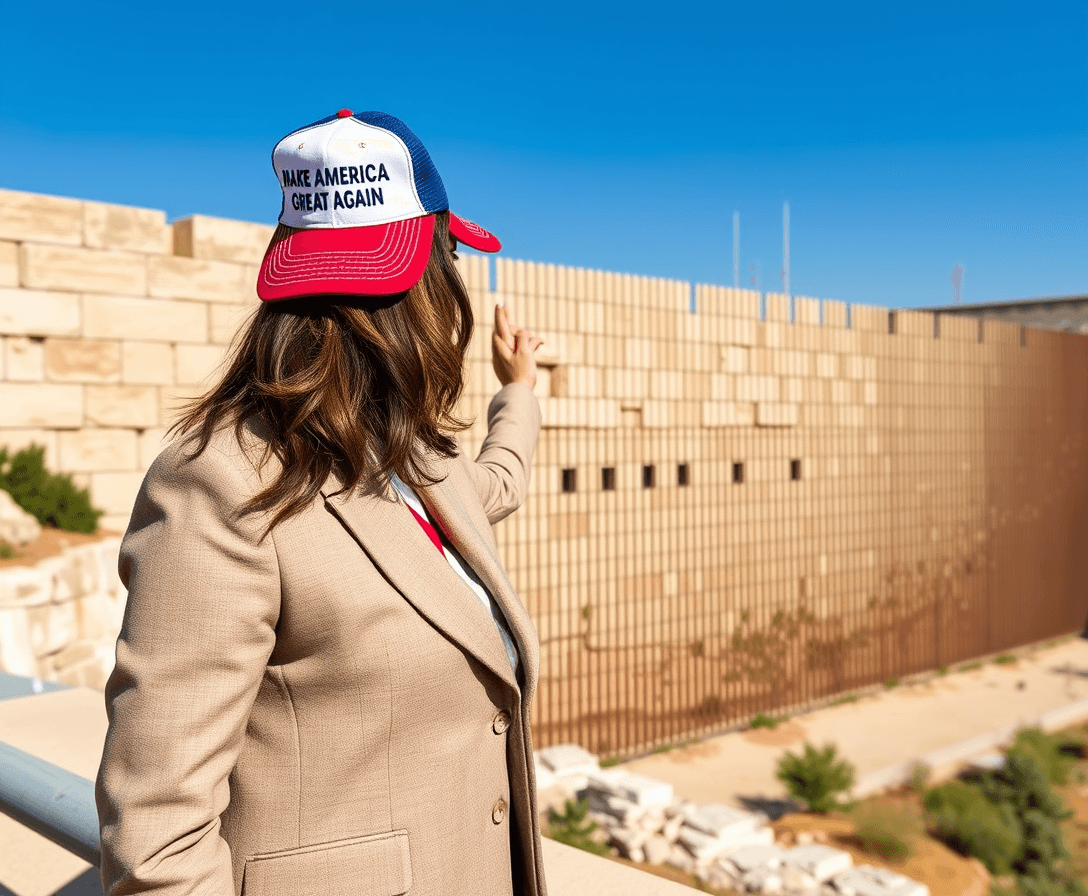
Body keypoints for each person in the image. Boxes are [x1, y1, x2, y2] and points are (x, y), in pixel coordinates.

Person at [95, 109, 547, 896]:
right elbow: (157, 843)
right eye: (448, 264)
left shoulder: (417, 459)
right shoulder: (222, 481)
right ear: (422, 284)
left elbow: (497, 481)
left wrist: (521, 394)